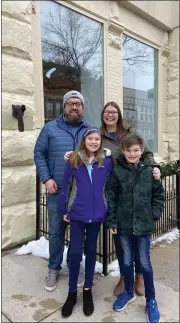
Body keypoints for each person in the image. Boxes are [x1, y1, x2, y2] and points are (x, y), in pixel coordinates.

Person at [65, 100, 161, 297]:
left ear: (119, 114)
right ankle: (125, 277)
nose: (110, 115)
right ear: (103, 115)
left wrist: (154, 168)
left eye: (113, 112)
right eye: (107, 112)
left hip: (135, 185)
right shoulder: (99, 135)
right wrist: (72, 154)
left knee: (138, 242)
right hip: (115, 190)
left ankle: (140, 276)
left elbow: (147, 153)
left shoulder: (128, 133)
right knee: (121, 240)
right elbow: (87, 150)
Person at [34, 90, 90, 291]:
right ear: (64, 106)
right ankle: (54, 267)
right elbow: (39, 154)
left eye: (78, 103)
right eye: (70, 103)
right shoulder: (50, 129)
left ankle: (74, 263)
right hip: (57, 192)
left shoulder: (90, 132)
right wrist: (47, 179)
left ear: (82, 107)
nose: (74, 107)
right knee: (56, 232)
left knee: (78, 233)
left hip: (82, 195)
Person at [106, 134, 164, 323]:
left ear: (142, 151)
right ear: (123, 151)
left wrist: (154, 214)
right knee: (126, 262)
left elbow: (158, 196)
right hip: (123, 226)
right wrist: (112, 221)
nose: (132, 154)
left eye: (136, 150)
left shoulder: (149, 171)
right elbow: (111, 196)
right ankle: (128, 292)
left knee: (145, 264)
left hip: (143, 227)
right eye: (129, 150)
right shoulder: (118, 171)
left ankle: (151, 300)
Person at [60, 127, 112, 318]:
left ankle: (87, 290)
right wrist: (65, 209)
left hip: (97, 214)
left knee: (91, 252)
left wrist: (109, 210)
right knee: (75, 253)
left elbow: (110, 187)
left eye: (97, 139)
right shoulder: (74, 159)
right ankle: (72, 292)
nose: (93, 142)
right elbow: (66, 184)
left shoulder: (106, 162)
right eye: (90, 138)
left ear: (100, 142)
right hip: (78, 214)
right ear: (84, 140)